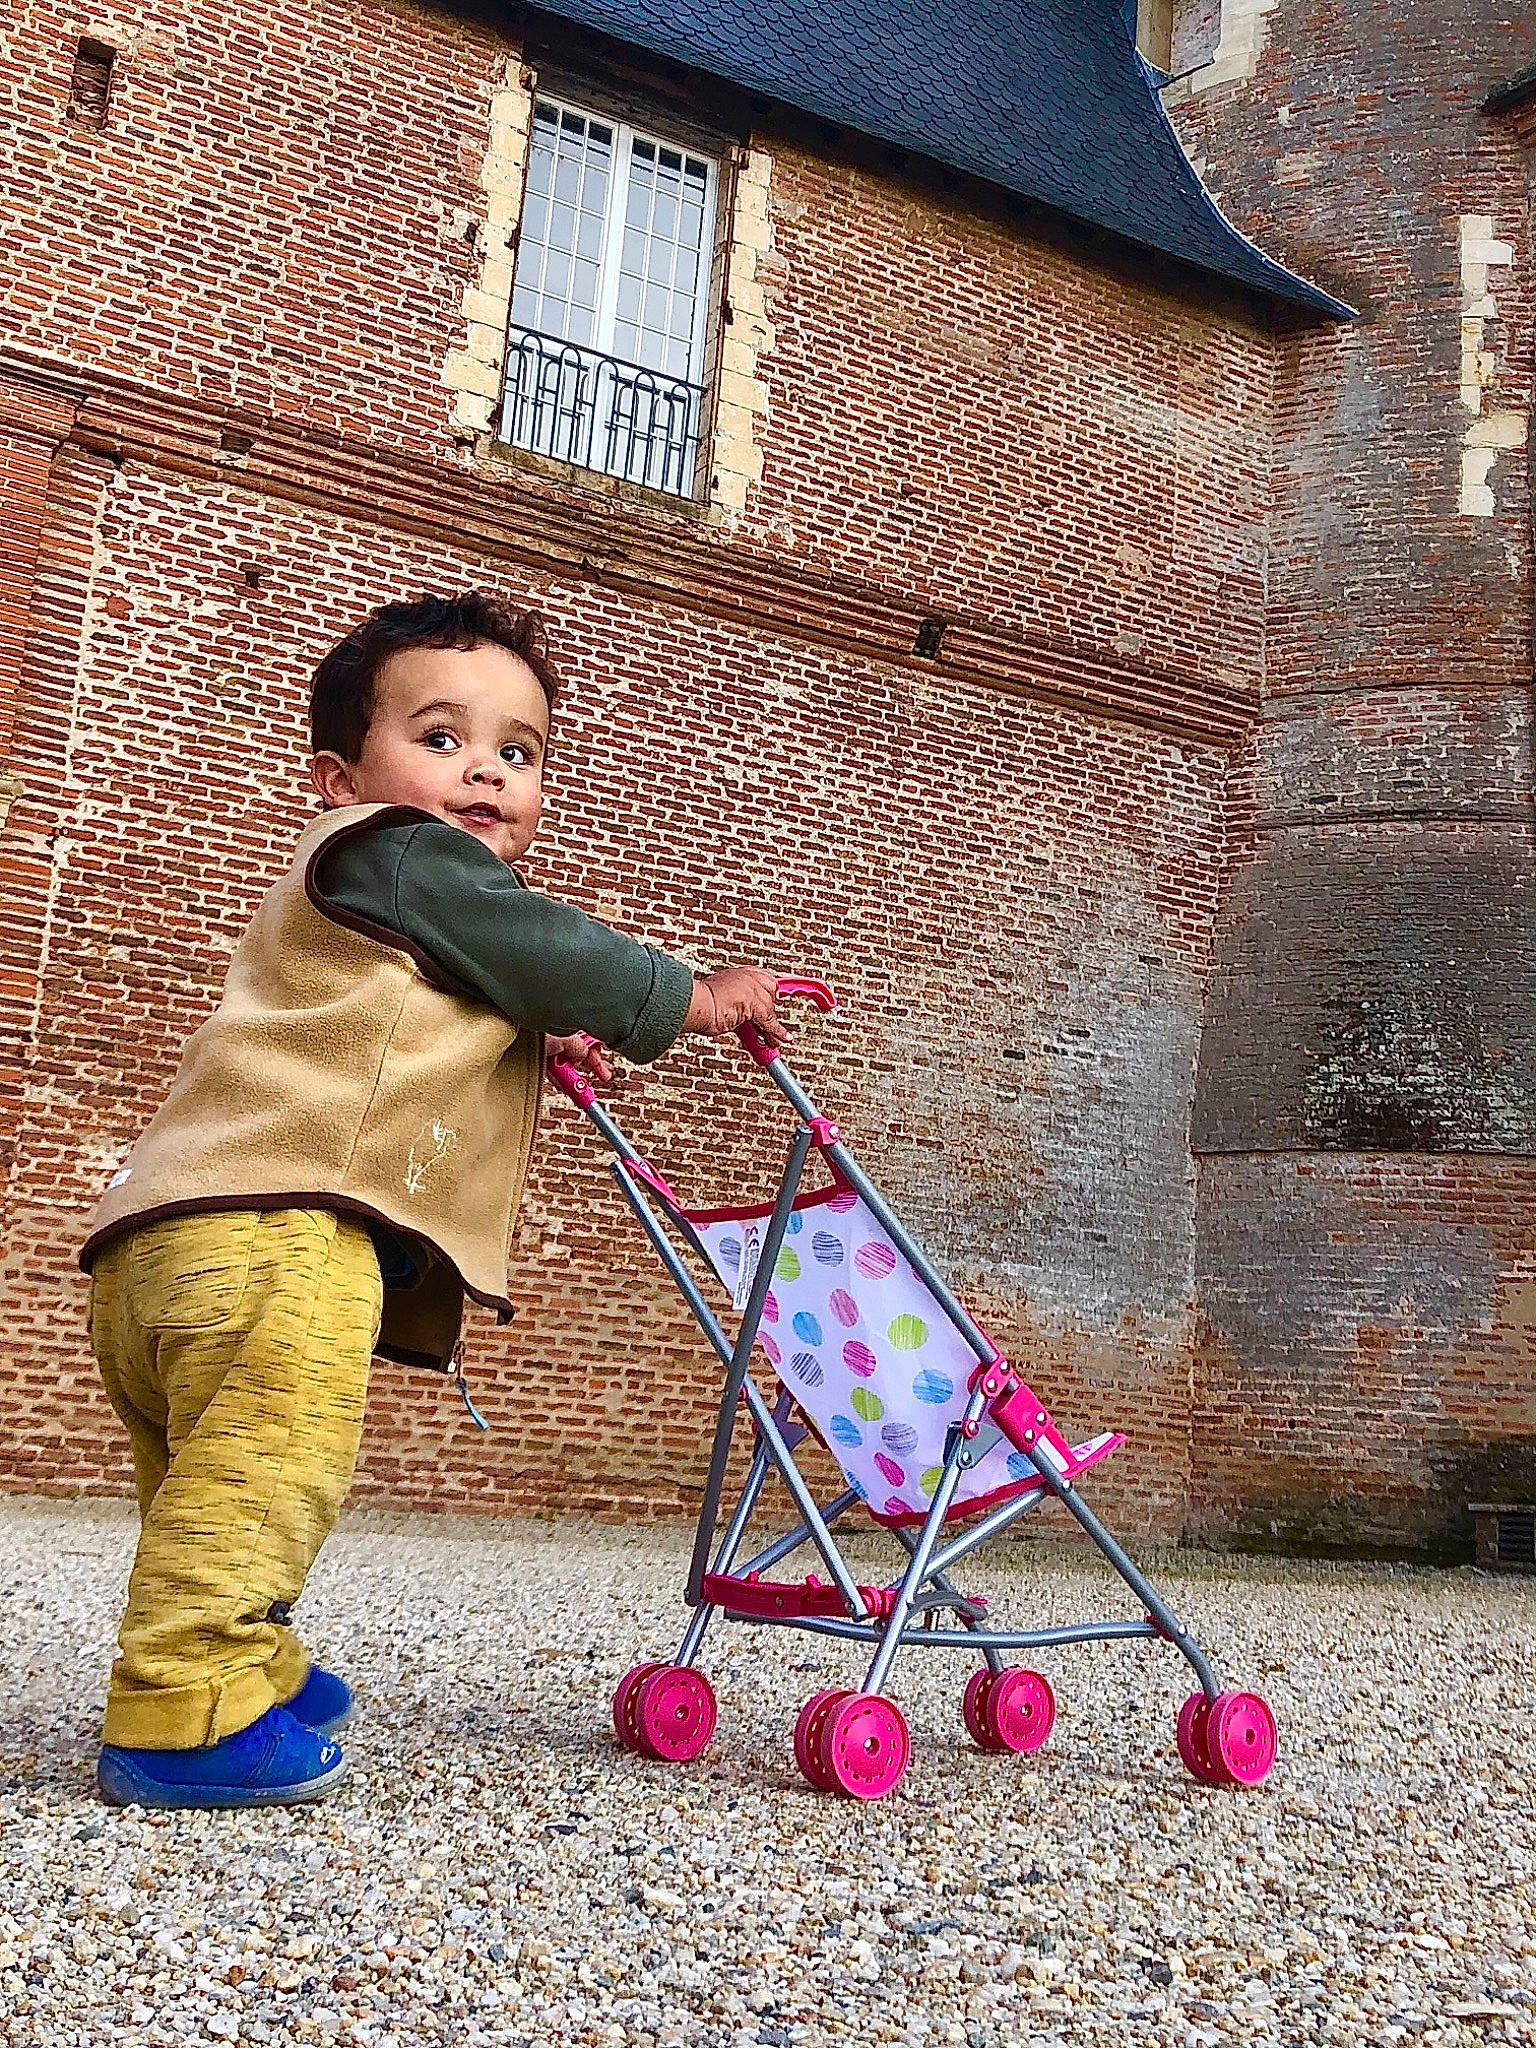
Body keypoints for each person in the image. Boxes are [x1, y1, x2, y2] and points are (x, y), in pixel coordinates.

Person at [79, 590, 786, 1809]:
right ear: (339, 773)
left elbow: (424, 1004)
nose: (485, 774)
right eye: (443, 738)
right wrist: (689, 997)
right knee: (269, 1471)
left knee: (214, 1480)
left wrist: (530, 1038)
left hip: (164, 1239)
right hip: (275, 1240)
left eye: (518, 751)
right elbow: (540, 941)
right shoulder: (403, 851)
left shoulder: (382, 900)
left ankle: (247, 1655)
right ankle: (184, 1709)